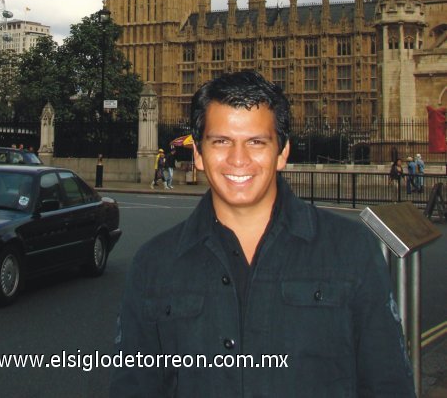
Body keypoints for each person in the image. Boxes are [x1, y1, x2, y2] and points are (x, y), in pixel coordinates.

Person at [110, 70, 414, 397]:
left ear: (282, 152)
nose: (238, 159)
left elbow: (388, 383)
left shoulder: (352, 251)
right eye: (221, 141)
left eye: (256, 141)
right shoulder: (153, 265)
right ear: (197, 154)